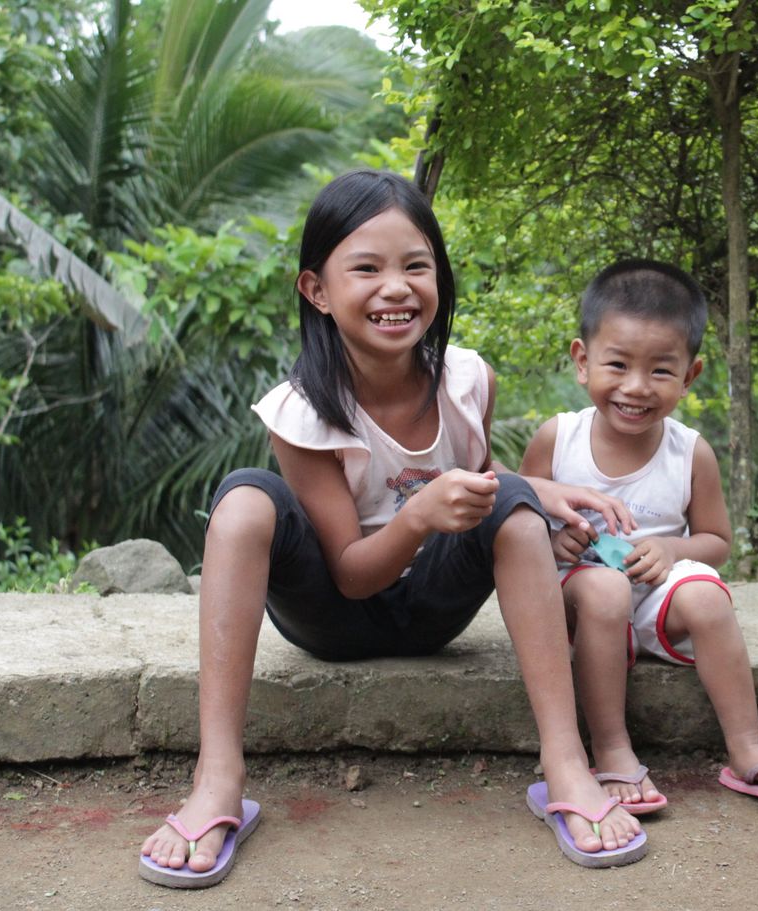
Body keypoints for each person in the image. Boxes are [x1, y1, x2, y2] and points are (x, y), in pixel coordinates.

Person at [139, 170, 646, 886]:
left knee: (514, 503)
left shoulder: (468, 378)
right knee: (244, 498)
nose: (397, 287)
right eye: (366, 268)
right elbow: (349, 571)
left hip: (433, 609)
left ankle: (565, 762)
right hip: (333, 616)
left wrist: (537, 493)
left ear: (439, 275)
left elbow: (480, 483)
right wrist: (419, 514)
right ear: (316, 289)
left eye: (416, 265)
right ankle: (217, 775)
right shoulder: (301, 410)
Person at [519, 259, 758, 814]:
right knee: (605, 590)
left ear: (691, 375)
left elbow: (716, 542)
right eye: (617, 364)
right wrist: (552, 539)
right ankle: (612, 750)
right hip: (578, 602)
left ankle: (747, 748)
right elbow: (520, 525)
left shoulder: (690, 452)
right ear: (582, 361)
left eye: (661, 371)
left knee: (706, 593)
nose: (636, 387)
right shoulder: (557, 438)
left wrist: (672, 549)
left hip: (652, 598)